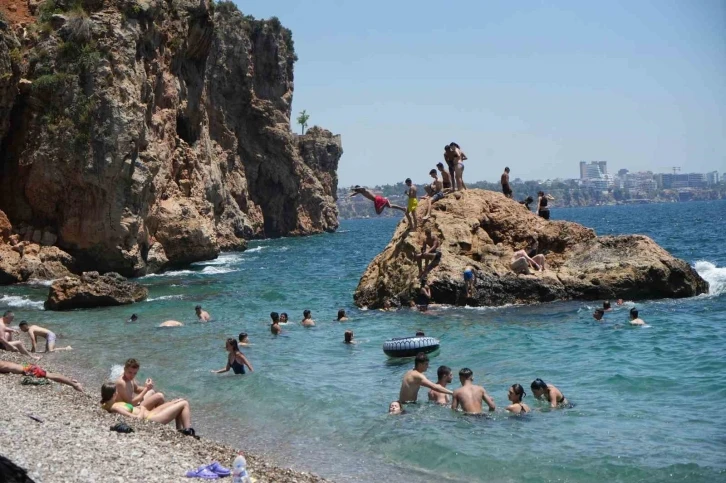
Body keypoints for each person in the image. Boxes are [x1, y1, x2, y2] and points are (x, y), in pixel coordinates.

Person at [100, 382, 196, 435]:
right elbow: (137, 419)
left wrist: (140, 407)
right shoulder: (116, 407)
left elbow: (104, 404)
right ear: (114, 394)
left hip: (150, 413)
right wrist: (142, 408)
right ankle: (188, 431)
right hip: (151, 418)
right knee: (184, 403)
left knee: (177, 401)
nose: (117, 393)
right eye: (116, 392)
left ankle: (180, 430)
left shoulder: (107, 404)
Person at [0, 360, 83, 391]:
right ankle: (71, 380)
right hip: (26, 366)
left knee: (52, 376)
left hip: (29, 369)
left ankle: (74, 384)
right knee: (51, 375)